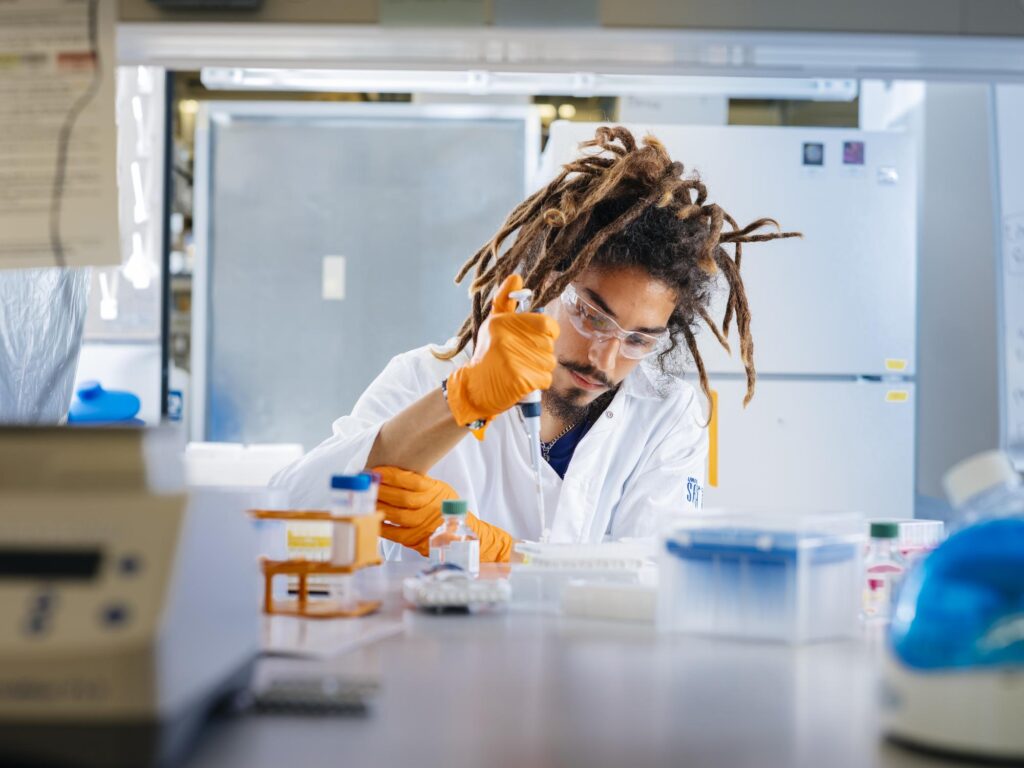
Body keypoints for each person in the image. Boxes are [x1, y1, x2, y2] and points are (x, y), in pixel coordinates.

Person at [272, 126, 798, 561]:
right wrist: (459, 401)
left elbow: (659, 574)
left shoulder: (667, 414)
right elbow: (287, 517)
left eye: (638, 339)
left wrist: (494, 553)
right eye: (591, 315)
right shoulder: (424, 377)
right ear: (545, 281)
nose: (604, 358)